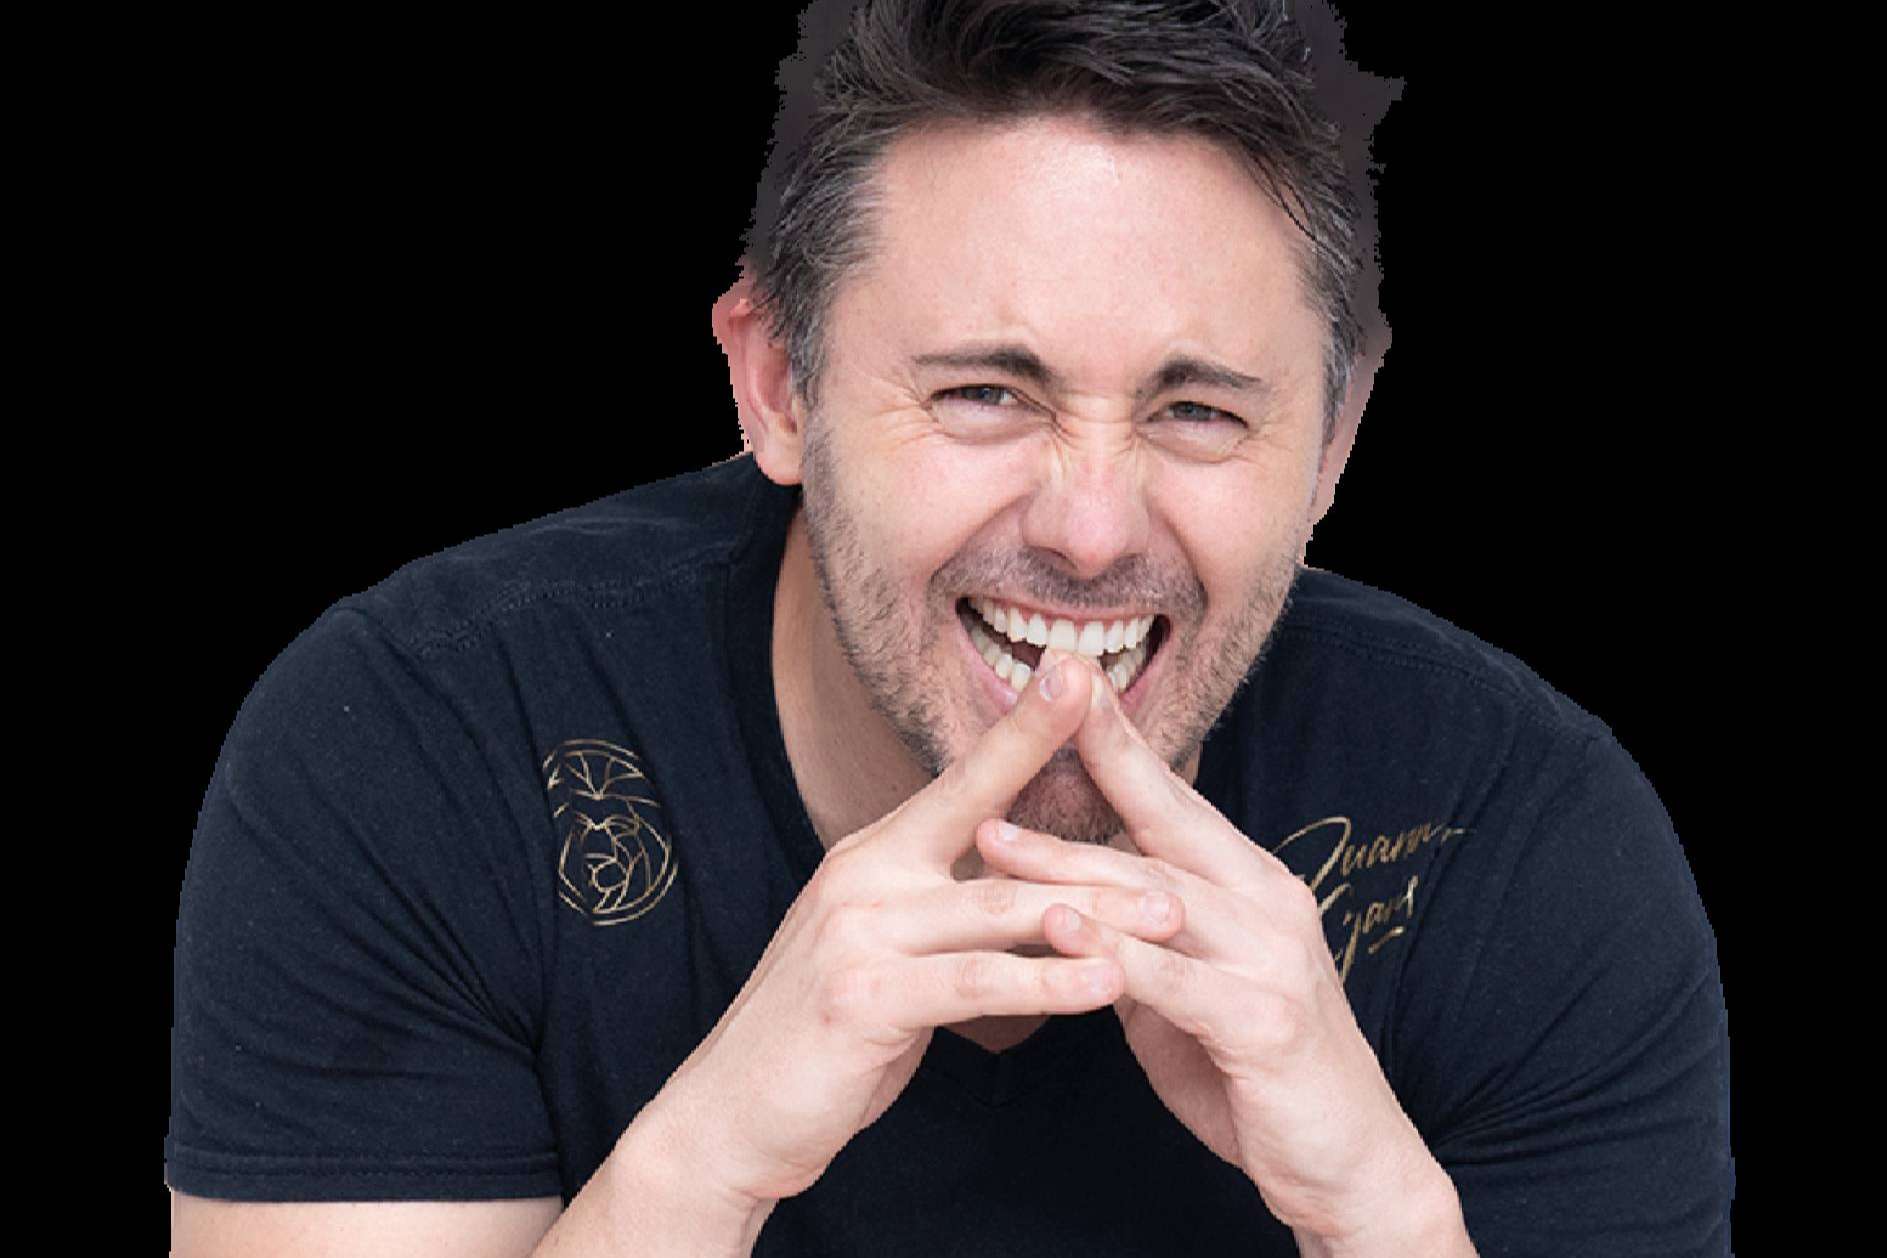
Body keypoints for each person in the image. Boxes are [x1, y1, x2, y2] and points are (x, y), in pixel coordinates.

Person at [166, 1, 1733, 1254]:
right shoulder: (418, 744)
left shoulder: (1524, 837)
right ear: (777, 385)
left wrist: (1378, 1212)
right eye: (988, 392)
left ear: (1330, 444)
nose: (1092, 528)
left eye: (1197, 410)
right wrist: (702, 1167)